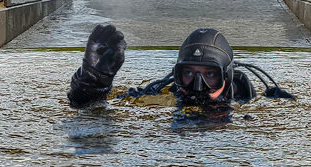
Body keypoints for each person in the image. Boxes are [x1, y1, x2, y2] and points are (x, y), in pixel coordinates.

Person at [67, 24, 293, 111]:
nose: (197, 85)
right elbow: (89, 111)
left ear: (227, 75)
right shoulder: (161, 93)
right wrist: (94, 80)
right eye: (188, 73)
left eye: (210, 75)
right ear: (177, 74)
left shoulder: (246, 98)